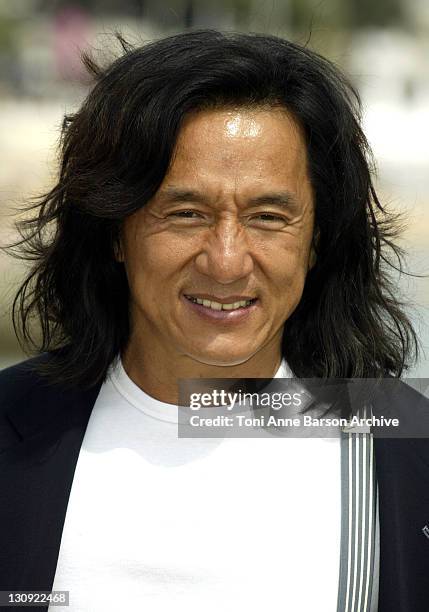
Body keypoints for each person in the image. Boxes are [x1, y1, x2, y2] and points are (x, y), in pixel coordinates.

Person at [0, 30, 428, 612]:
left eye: (268, 216)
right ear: (114, 231)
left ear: (317, 240)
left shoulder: (407, 451)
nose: (226, 261)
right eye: (185, 213)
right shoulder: (12, 431)